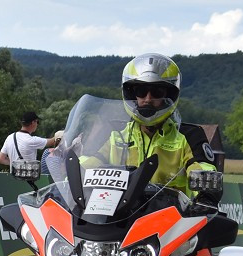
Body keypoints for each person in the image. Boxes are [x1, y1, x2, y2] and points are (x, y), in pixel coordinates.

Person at [86, 52, 217, 198]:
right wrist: (70, 175)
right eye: (141, 91)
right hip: (116, 214)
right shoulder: (114, 133)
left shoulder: (188, 137)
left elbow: (203, 170)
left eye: (157, 92)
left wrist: (206, 194)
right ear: (131, 93)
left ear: (170, 95)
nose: (148, 99)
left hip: (169, 216)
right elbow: (87, 163)